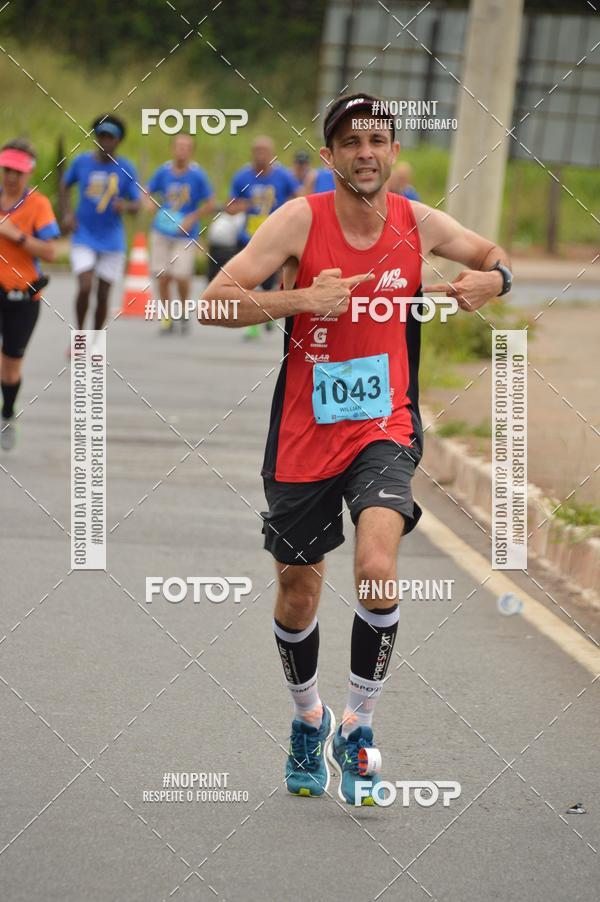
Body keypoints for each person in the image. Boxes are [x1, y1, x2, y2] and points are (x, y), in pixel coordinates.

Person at [201, 94, 512, 805]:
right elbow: (213, 301)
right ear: (333, 155)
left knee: (377, 564)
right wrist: (300, 301)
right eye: (350, 141)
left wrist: (493, 281)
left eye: (377, 138)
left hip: (385, 425)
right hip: (305, 433)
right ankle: (308, 718)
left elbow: (494, 257)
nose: (365, 150)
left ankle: (359, 726)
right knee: (297, 589)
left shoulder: (414, 221)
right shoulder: (297, 220)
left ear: (393, 152)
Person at [0, 139, 59, 450]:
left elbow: (51, 251)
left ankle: (7, 414)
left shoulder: (38, 205)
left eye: (18, 172)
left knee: (10, 366)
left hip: (22, 297)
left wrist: (17, 235)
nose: (11, 177)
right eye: (7, 169)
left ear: (29, 173)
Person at [60, 115, 140, 338]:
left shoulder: (126, 168)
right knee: (85, 286)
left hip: (112, 239)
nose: (105, 142)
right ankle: (80, 335)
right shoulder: (82, 162)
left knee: (103, 295)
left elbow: (136, 204)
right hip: (83, 234)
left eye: (110, 138)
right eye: (101, 137)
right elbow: (65, 185)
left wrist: (126, 205)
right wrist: (67, 213)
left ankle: (96, 338)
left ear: (119, 141)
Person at [227, 136, 301, 338]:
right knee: (249, 279)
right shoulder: (242, 177)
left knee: (270, 280)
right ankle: (254, 323)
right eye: (257, 150)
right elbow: (230, 206)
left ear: (272, 153)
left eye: (264, 151)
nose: (261, 155)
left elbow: (300, 198)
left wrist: (287, 211)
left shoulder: (283, 176)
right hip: (248, 236)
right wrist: (239, 206)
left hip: (275, 235)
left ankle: (267, 313)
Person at [146, 134, 214, 333]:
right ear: (172, 148)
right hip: (162, 231)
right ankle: (166, 315)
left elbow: (210, 202)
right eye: (179, 146)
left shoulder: (197, 175)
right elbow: (146, 191)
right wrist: (151, 205)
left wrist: (192, 217)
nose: (182, 150)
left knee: (181, 275)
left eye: (186, 147)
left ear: (192, 151)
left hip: (185, 233)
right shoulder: (163, 171)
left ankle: (183, 309)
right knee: (163, 275)